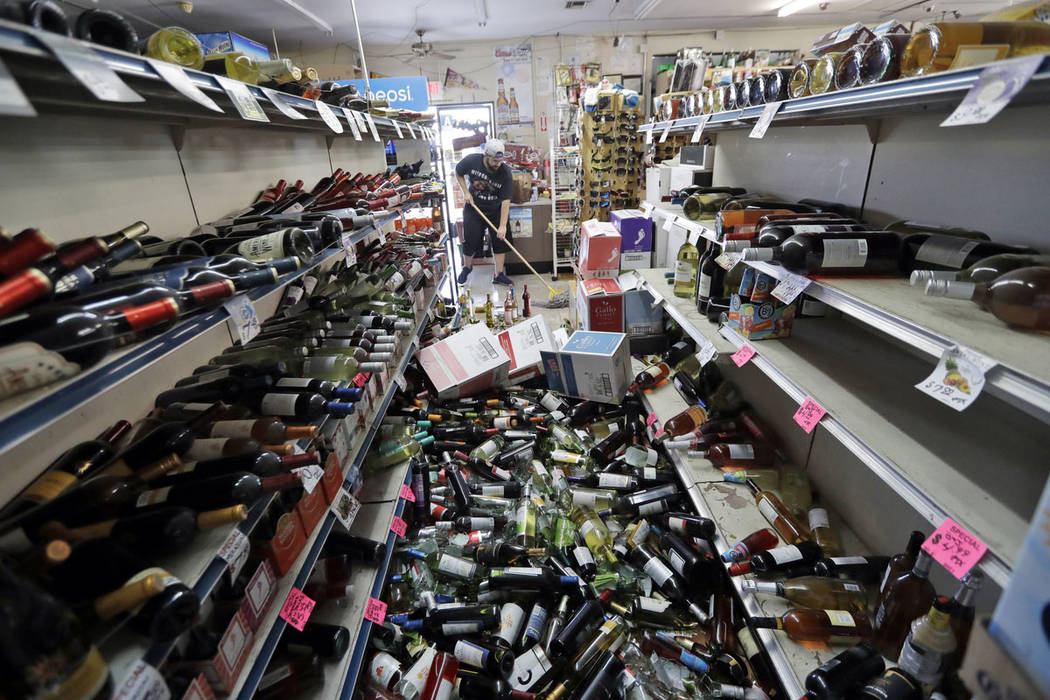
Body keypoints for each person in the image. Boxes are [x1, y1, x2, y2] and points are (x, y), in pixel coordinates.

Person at [454, 138, 515, 286]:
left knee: (500, 240)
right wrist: (465, 192)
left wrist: (502, 226)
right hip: (474, 208)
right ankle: (467, 267)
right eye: (494, 161)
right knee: (471, 239)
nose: (497, 164)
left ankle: (499, 274)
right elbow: (458, 172)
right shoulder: (472, 161)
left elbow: (506, 201)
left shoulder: (505, 172)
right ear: (485, 156)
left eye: (500, 161)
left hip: (495, 209)